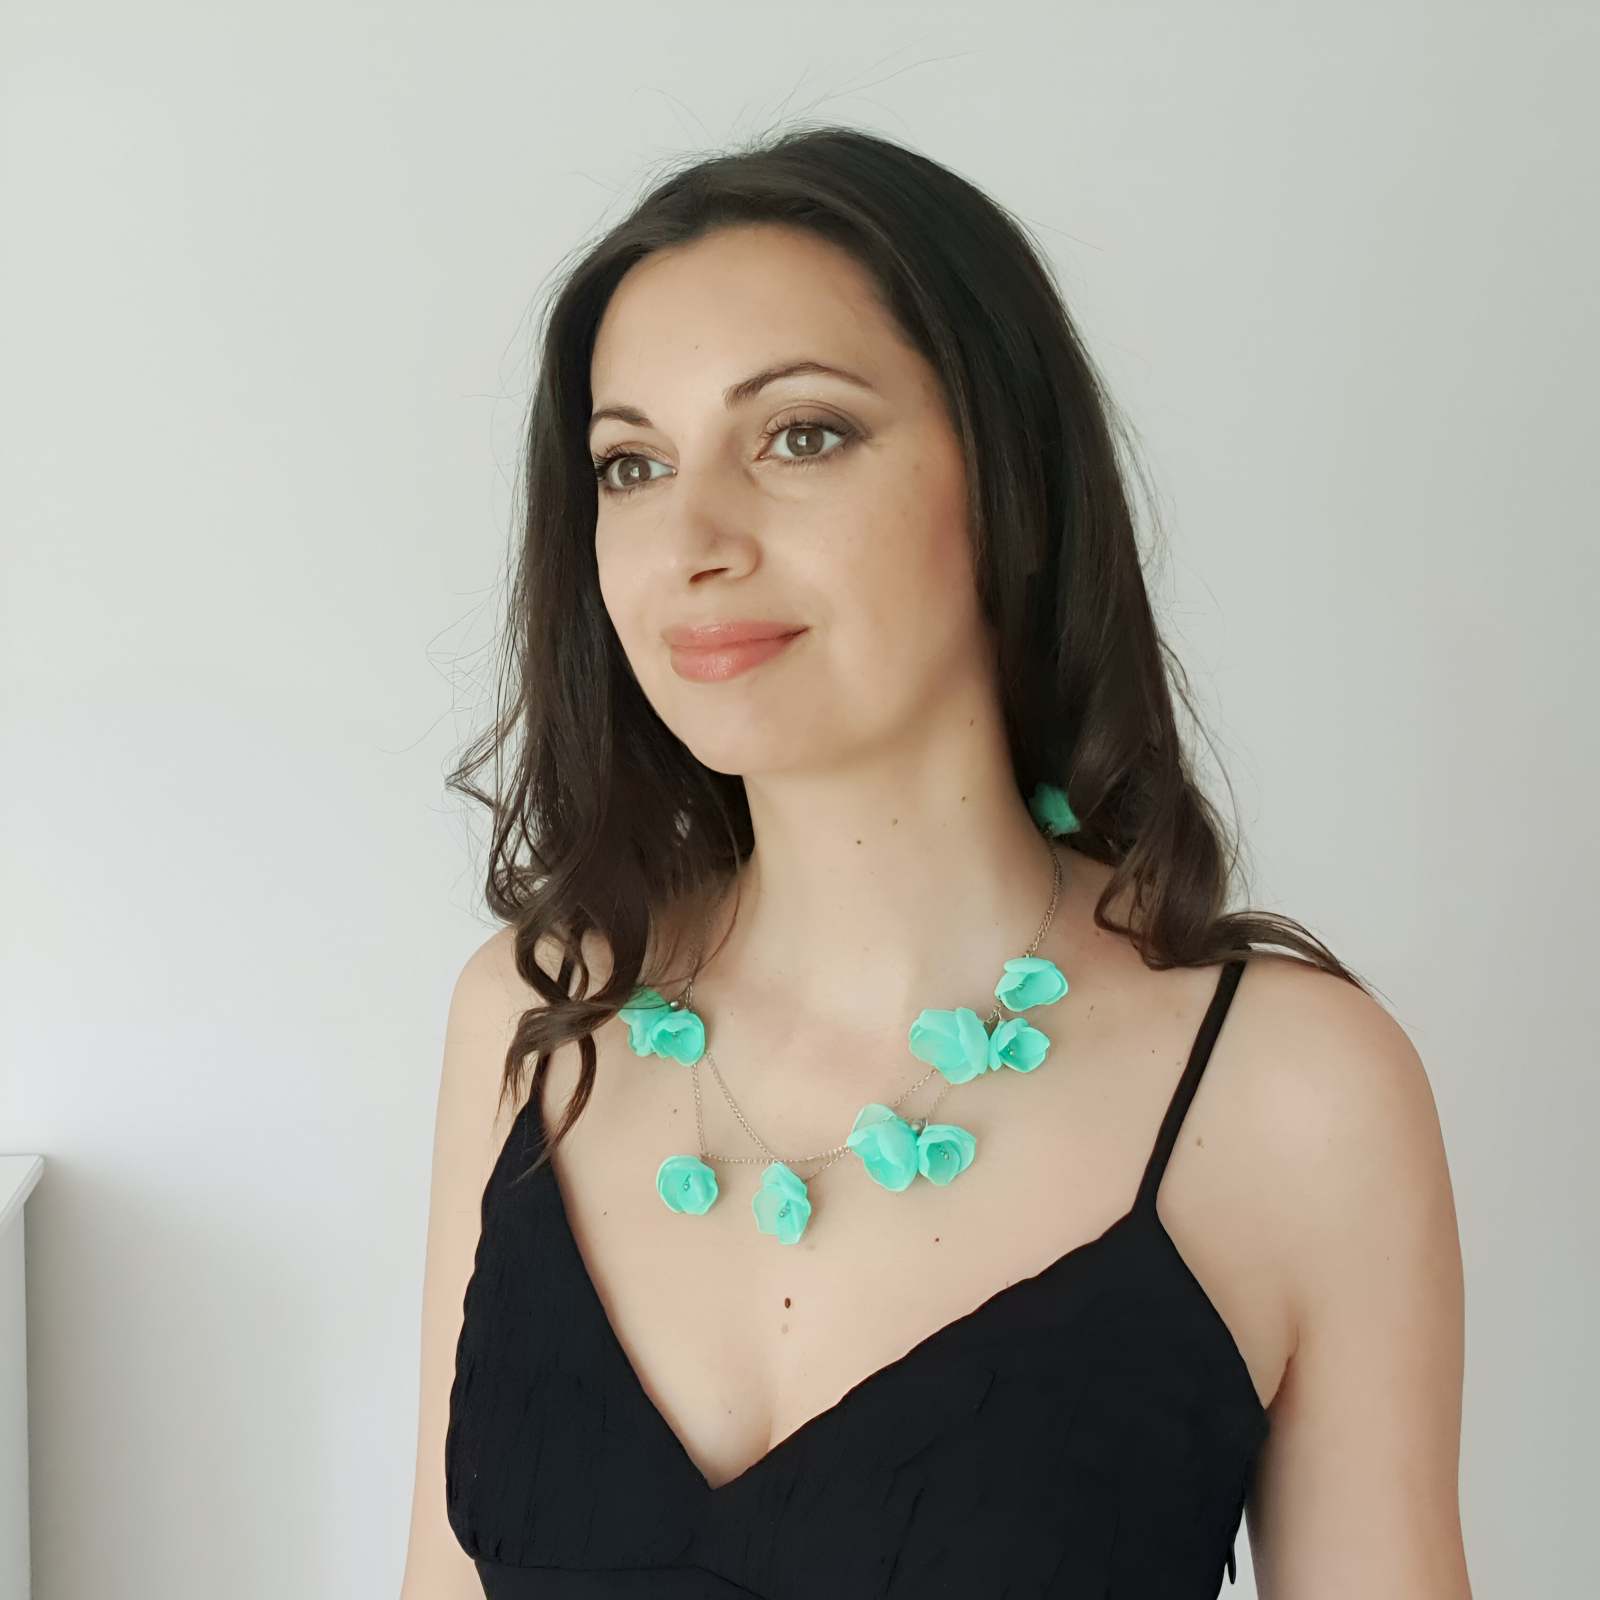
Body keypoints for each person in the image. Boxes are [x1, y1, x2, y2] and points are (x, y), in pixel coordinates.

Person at [399, 128, 1471, 1599]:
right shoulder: (535, 1016)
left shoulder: (1291, 1094)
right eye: (632, 465)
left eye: (801, 435)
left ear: (1012, 484)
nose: (691, 539)